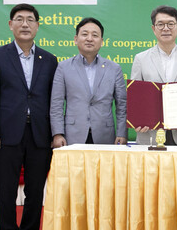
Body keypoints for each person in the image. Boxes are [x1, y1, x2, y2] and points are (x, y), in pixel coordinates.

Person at [0, 3, 58, 230]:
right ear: (10, 25)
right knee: (6, 188)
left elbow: (54, 100)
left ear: (37, 25)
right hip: (6, 134)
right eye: (19, 19)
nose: (25, 24)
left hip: (40, 134)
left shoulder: (49, 60)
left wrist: (54, 133)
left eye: (30, 20)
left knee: (35, 189)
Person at [130, 5, 177, 145]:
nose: (166, 28)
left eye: (170, 24)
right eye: (160, 24)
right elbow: (135, 96)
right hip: (149, 134)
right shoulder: (141, 59)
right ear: (153, 28)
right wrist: (138, 119)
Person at [50, 17, 127, 146]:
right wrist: (58, 134)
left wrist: (122, 133)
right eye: (85, 34)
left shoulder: (114, 69)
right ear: (76, 39)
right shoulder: (63, 67)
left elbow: (122, 105)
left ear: (102, 41)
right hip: (72, 136)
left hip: (105, 136)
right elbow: (56, 104)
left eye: (95, 35)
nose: (89, 39)